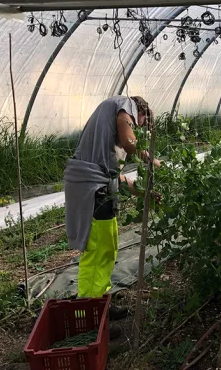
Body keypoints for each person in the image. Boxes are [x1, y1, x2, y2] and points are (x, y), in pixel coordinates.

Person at [64, 95, 159, 318]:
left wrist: (146, 193)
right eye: (139, 124)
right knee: (98, 249)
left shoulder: (107, 141)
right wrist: (151, 160)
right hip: (92, 188)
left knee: (107, 247)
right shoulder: (126, 105)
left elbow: (117, 178)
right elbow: (130, 142)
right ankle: (88, 309)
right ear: (140, 112)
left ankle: (99, 301)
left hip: (98, 185)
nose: (137, 129)